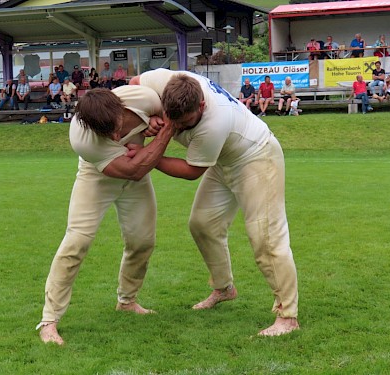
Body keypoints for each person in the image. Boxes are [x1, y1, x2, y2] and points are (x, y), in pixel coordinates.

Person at [130, 68, 300, 337]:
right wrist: (148, 116)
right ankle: (224, 288)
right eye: (173, 119)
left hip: (257, 158)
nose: (178, 127)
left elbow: (191, 171)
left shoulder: (213, 122)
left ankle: (287, 316)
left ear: (201, 105)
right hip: (225, 160)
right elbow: (134, 84)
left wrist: (148, 157)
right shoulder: (166, 81)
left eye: (185, 122)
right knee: (202, 224)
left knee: (266, 238)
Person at [36, 86, 175, 345]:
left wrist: (158, 120)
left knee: (142, 241)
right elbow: (131, 169)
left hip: (137, 170)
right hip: (99, 176)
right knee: (77, 241)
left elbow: (170, 111)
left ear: (120, 107)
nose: (114, 135)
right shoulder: (83, 139)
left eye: (116, 126)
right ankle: (49, 320)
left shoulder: (142, 98)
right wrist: (163, 133)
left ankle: (127, 301)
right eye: (106, 133)